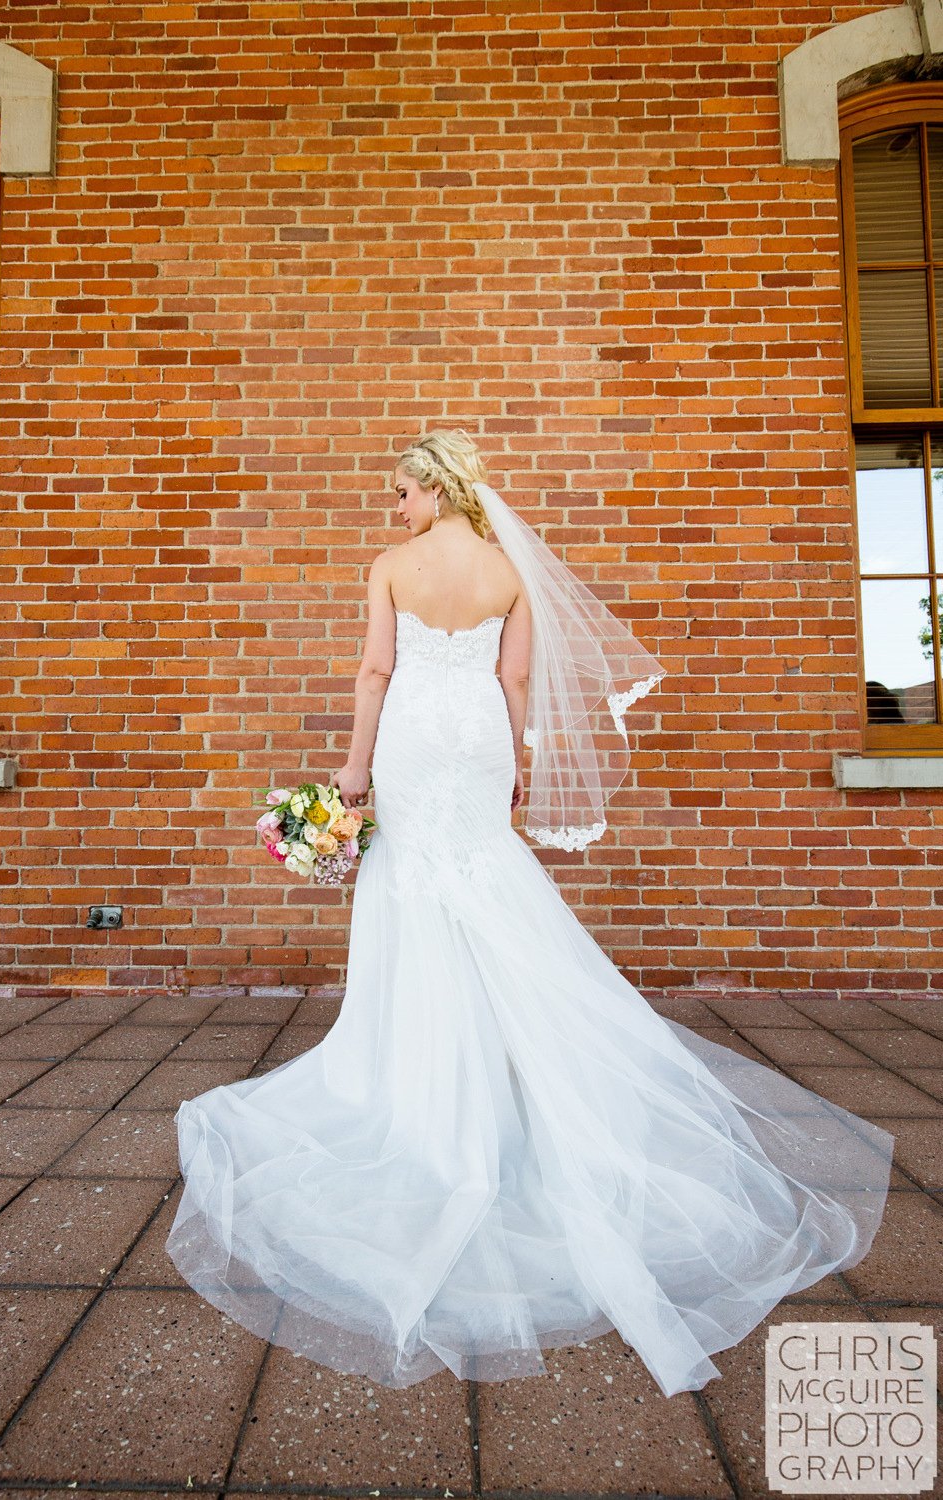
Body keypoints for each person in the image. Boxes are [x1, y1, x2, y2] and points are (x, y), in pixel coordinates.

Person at [166, 428, 894, 1398]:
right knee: (487, 882)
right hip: (475, 743)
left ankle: (422, 1092)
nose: (392, 510)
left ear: (432, 487)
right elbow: (514, 681)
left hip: (413, 738)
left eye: (399, 492)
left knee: (415, 890)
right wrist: (515, 768)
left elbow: (375, 674)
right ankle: (510, 1087)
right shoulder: (510, 569)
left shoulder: (391, 566)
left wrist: (350, 771)